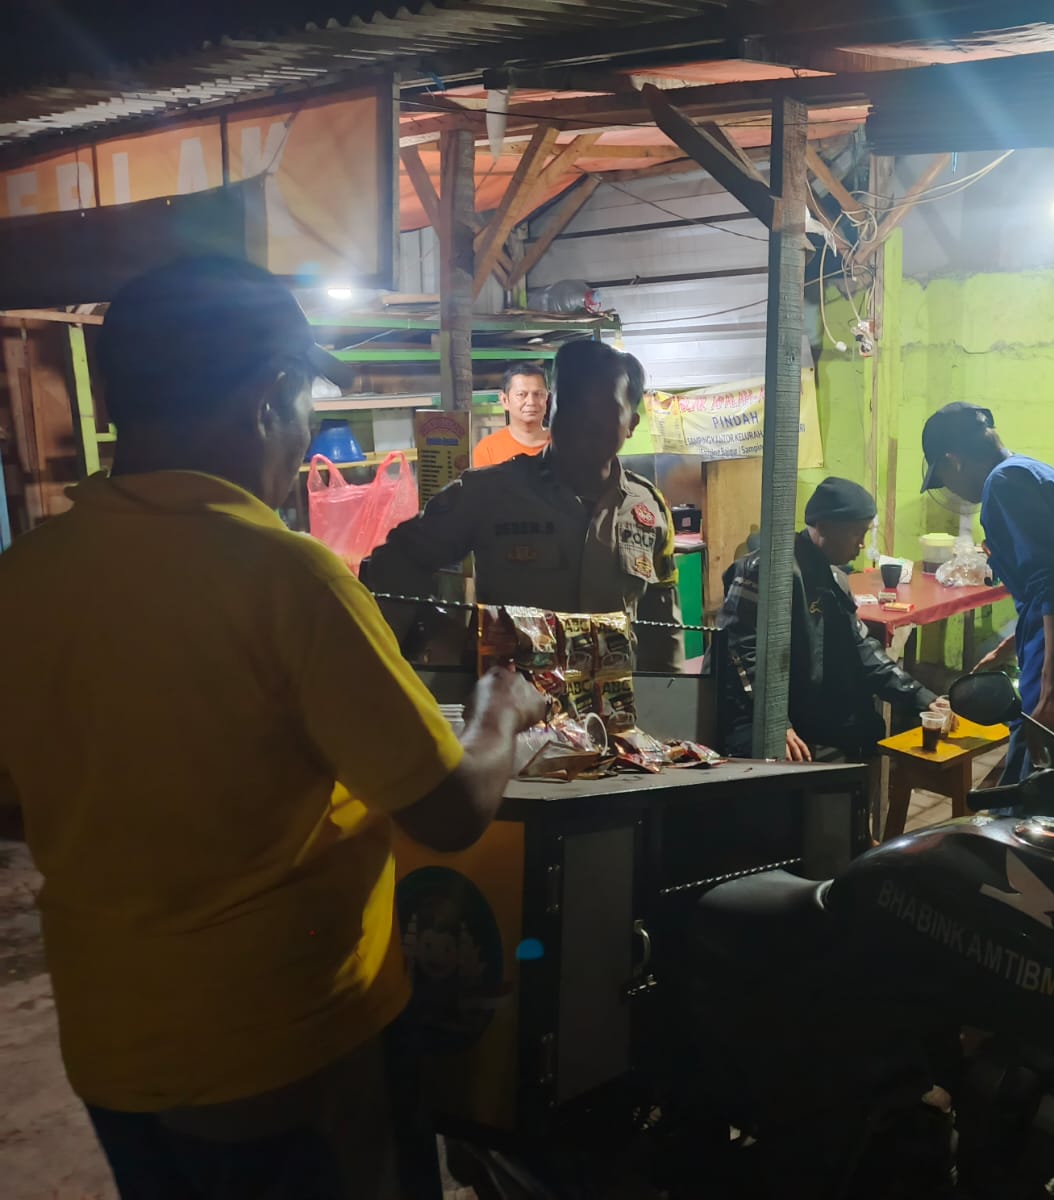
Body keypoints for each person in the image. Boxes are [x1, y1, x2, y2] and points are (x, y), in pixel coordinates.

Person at [0, 256, 547, 1200]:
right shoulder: (288, 578)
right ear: (268, 399)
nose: (301, 438)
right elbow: (451, 810)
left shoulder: (25, 579)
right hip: (287, 1049)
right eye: (303, 406)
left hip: (110, 1048)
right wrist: (502, 706)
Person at [364, 340, 684, 672]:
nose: (584, 421)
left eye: (604, 408)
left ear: (631, 423)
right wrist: (440, 631)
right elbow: (390, 564)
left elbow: (663, 629)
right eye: (572, 403)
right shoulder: (489, 493)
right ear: (552, 409)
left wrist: (670, 694)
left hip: (612, 702)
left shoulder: (649, 510)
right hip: (511, 701)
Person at [921, 403, 1054, 788]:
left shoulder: (1005, 485)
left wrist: (1052, 693)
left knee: (1039, 806)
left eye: (943, 477)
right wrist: (1011, 645)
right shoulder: (1042, 475)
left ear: (954, 461)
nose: (948, 488)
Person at [716, 477, 940, 762]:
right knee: (780, 756)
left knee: (866, 728)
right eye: (856, 533)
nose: (862, 544)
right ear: (823, 527)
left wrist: (921, 697)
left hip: (801, 701)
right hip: (751, 708)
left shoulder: (834, 579)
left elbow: (860, 648)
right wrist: (774, 721)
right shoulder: (766, 570)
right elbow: (739, 651)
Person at [472, 364, 550, 467]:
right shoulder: (488, 450)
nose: (531, 402)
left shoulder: (565, 446)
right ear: (505, 400)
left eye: (538, 394)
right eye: (521, 394)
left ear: (547, 398)